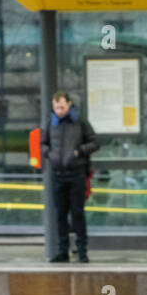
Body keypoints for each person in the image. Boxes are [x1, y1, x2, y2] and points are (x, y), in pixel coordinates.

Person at [40, 91, 99, 263]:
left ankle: (82, 250)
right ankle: (62, 250)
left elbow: (95, 142)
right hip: (57, 174)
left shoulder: (79, 122)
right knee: (60, 214)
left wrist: (79, 151)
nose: (58, 110)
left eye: (62, 107)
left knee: (77, 213)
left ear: (69, 104)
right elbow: (43, 143)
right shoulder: (51, 123)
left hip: (76, 174)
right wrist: (49, 154)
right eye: (56, 107)